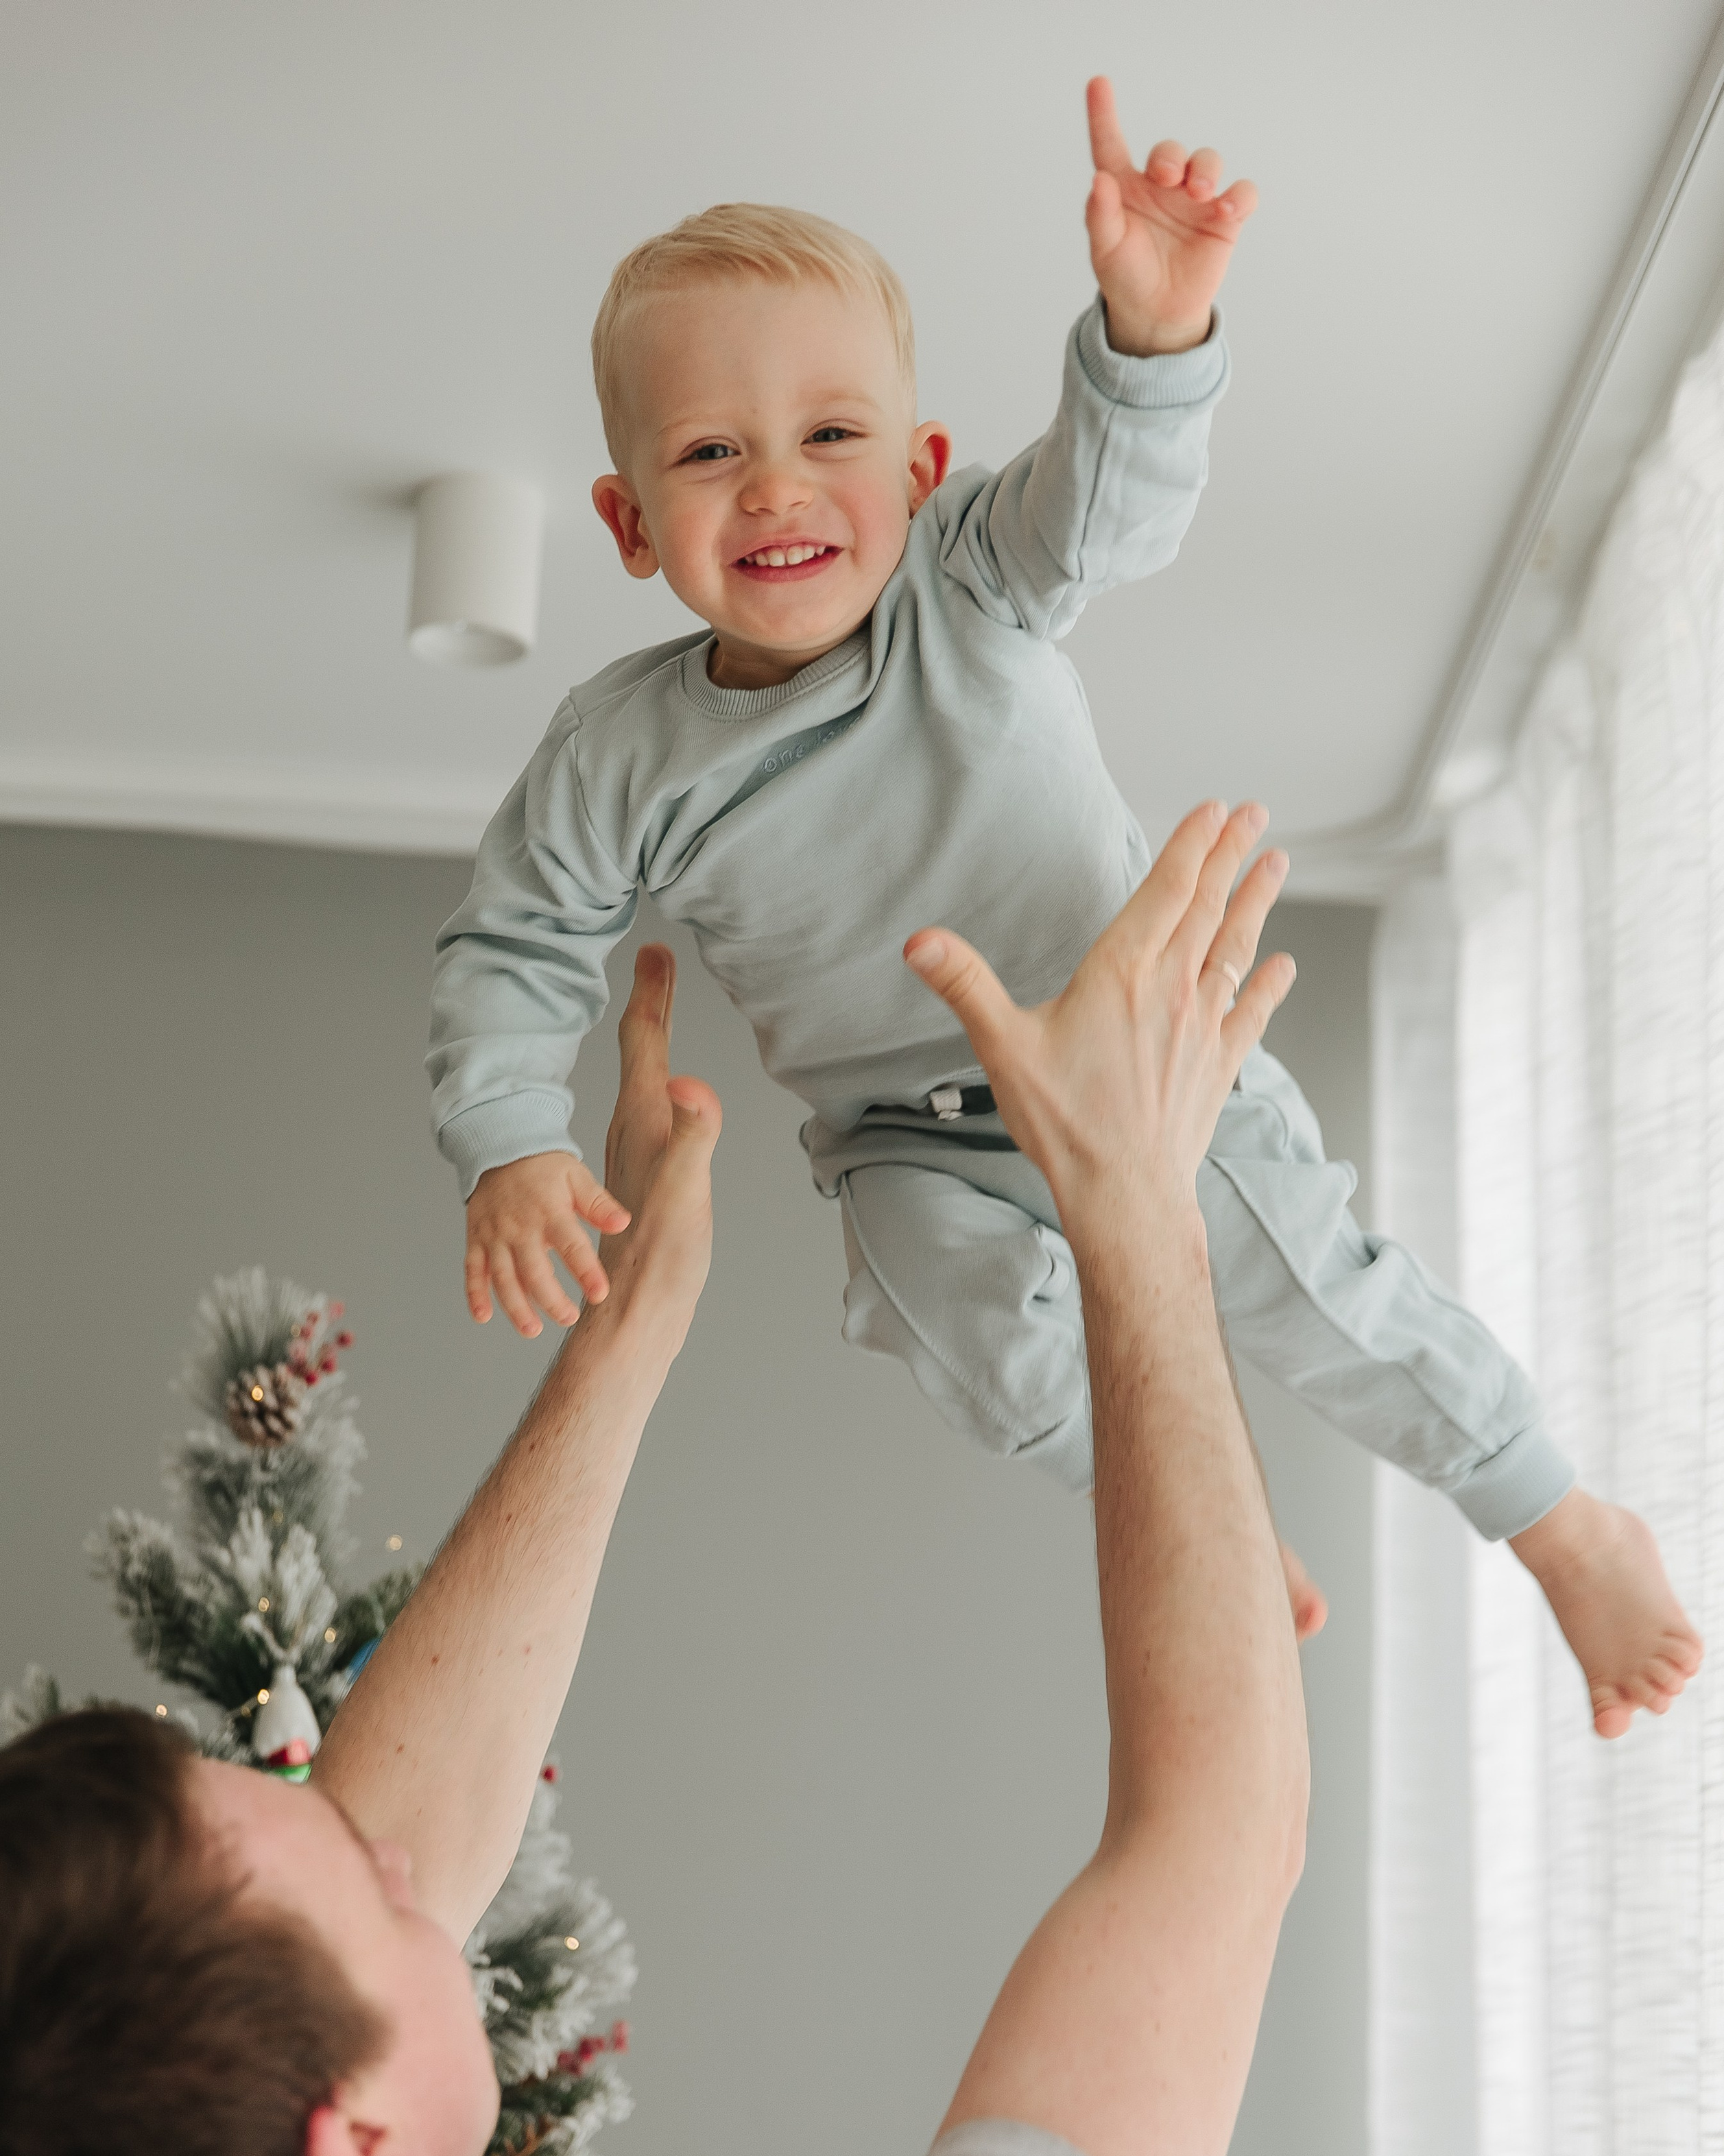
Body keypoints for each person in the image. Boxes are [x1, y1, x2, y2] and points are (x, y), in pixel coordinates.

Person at [0, 801, 1306, 2156]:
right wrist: (1136, 1202)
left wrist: (622, 1346)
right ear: (345, 2133)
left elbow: (355, 1938)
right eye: (355, 1864)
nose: (389, 1837)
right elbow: (1209, 1849)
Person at [426, 78, 1701, 1737]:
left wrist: (1147, 340)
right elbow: (515, 944)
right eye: (707, 454)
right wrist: (511, 1141)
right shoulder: (621, 750)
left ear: (922, 464)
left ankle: (1551, 1515)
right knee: (929, 1308)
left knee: (1322, 1292)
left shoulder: (968, 582)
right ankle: (1189, 1512)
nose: (777, 490)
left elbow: (1108, 499)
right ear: (624, 521)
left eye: (830, 437)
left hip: (1139, 1060)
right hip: (906, 1129)